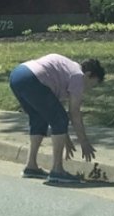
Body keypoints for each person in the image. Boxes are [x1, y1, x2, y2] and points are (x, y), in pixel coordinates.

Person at [9, 53, 106, 184]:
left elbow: (53, 112)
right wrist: (84, 142)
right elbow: (74, 113)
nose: (88, 89)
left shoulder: (67, 68)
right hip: (33, 78)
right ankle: (57, 170)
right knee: (60, 119)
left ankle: (31, 166)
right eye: (92, 84)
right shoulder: (78, 76)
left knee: (39, 118)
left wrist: (66, 139)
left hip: (18, 74)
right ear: (88, 74)